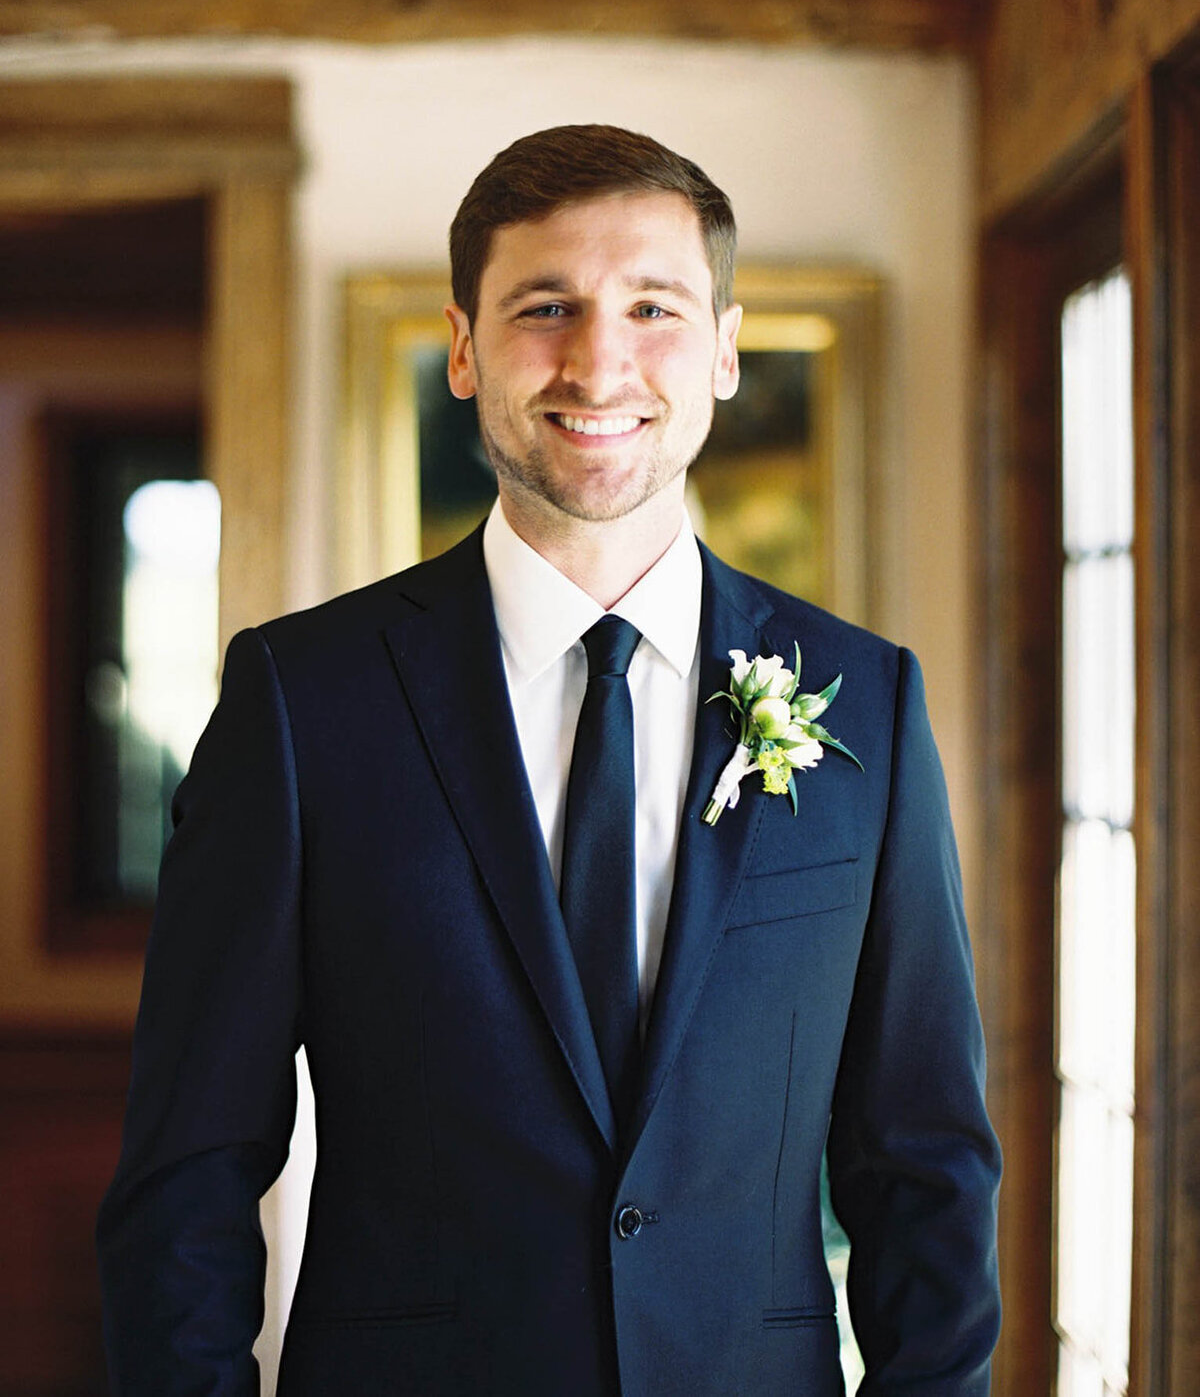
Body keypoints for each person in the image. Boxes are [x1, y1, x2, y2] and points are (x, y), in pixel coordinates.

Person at [97, 124, 1001, 1396]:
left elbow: (926, 1164)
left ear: (726, 345)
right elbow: (189, 1168)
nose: (599, 359)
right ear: (464, 346)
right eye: (545, 307)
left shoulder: (872, 704)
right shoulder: (301, 703)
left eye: (652, 306)